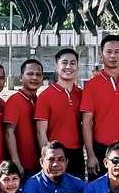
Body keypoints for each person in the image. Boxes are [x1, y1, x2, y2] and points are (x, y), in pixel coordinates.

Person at [80, 34, 119, 177]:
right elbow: (86, 122)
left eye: (117, 52)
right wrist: (91, 155)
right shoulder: (91, 86)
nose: (113, 56)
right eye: (108, 52)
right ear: (101, 55)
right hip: (101, 149)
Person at [35, 47, 85, 175]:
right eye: (64, 62)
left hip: (77, 154)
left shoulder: (82, 94)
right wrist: (47, 158)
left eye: (73, 63)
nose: (68, 66)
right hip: (55, 155)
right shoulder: (45, 96)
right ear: (56, 67)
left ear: (77, 68)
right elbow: (41, 131)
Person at [3, 58, 44, 172]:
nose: (34, 78)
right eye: (30, 74)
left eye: (38, 74)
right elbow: (9, 132)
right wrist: (16, 162)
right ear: (21, 78)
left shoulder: (39, 101)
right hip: (22, 167)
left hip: (39, 164)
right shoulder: (14, 101)